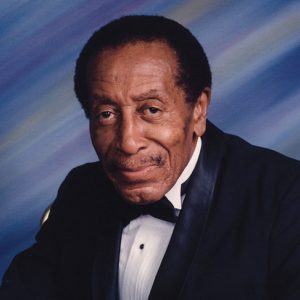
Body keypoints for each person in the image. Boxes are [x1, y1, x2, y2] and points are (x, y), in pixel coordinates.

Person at [1, 15, 300, 300]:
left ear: (198, 110)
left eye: (151, 110)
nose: (128, 142)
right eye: (106, 114)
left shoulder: (286, 196)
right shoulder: (82, 190)